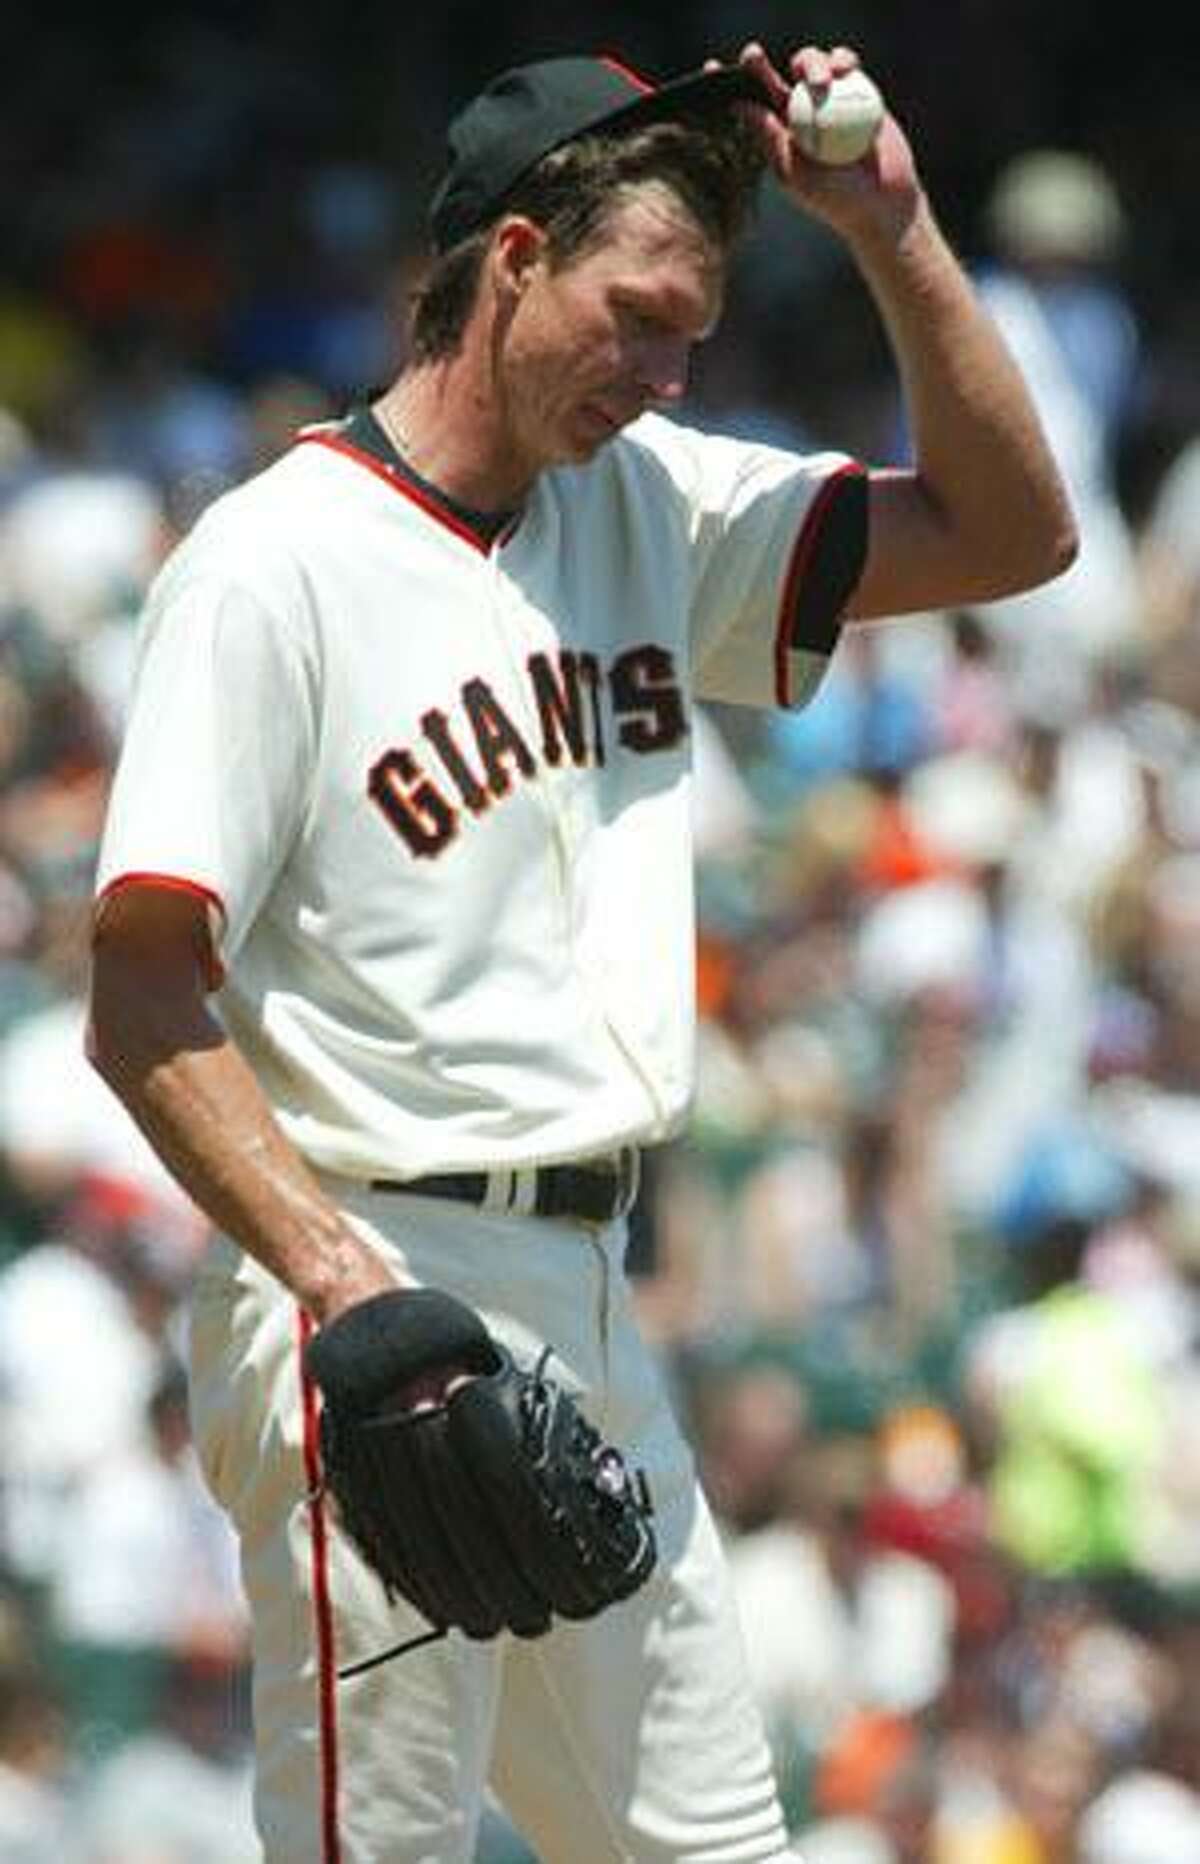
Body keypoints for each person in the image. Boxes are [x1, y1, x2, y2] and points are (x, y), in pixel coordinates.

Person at [86, 36, 1075, 1864]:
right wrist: (345, 1288)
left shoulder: (656, 501)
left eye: (693, 334)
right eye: (639, 315)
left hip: (597, 1296)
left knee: (710, 1850)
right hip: (369, 1282)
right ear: (517, 257)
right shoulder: (270, 565)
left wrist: (894, 233)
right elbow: (144, 997)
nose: (671, 370)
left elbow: (1015, 534)